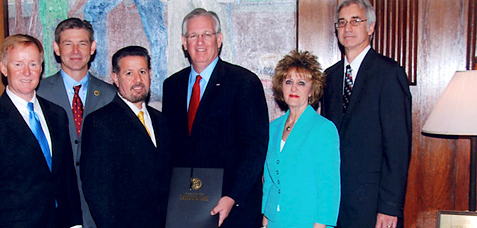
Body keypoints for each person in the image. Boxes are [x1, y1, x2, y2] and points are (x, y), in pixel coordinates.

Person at [162, 8, 269, 228]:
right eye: (193, 36)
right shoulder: (172, 86)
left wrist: (233, 196)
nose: (200, 42)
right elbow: (171, 148)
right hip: (185, 209)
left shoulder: (244, 83)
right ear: (184, 42)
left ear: (219, 39)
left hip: (232, 209)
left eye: (207, 34)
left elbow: (256, 148)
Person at [0, 34, 82, 227]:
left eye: (33, 64)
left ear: (41, 69)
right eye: (18, 64)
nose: (27, 72)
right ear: (4, 68)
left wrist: (76, 223)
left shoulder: (57, 114)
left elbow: (67, 176)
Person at [321, 0, 412, 227]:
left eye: (355, 21)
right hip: (335, 204)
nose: (347, 28)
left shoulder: (389, 73)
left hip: (373, 206)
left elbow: (398, 147)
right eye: (342, 22)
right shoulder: (329, 77)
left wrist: (390, 207)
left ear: (370, 28)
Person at [37, 17, 117, 228]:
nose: (75, 51)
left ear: (92, 48)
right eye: (67, 44)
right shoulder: (38, 94)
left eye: (82, 43)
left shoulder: (110, 95)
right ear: (56, 48)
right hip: (55, 209)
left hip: (99, 211)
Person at [80, 46, 170, 227]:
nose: (138, 80)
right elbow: (97, 191)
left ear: (150, 74)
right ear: (115, 78)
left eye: (142, 71)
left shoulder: (161, 120)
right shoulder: (100, 122)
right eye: (129, 73)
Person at [261, 50, 340, 228]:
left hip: (307, 220)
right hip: (275, 221)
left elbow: (329, 187)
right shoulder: (272, 128)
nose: (294, 88)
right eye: (288, 82)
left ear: (312, 90)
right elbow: (270, 180)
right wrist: (265, 220)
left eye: (301, 83)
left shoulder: (323, 129)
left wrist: (321, 225)